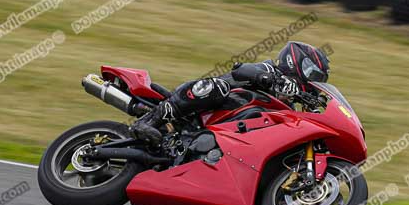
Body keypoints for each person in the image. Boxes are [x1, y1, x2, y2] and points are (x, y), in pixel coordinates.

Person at [132, 41, 330, 144]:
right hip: (203, 108)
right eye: (312, 74)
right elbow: (240, 69)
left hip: (221, 134)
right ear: (296, 62)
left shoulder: (287, 108)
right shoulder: (270, 71)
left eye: (318, 79)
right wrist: (267, 79)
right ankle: (148, 122)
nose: (313, 82)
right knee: (217, 87)